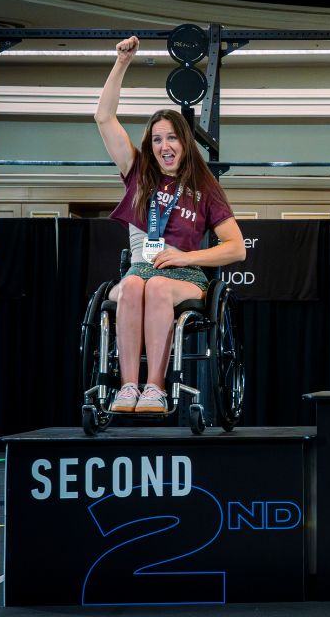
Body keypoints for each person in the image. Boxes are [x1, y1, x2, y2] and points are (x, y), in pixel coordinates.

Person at [96, 36, 246, 414]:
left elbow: (236, 248)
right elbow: (103, 118)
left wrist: (184, 256)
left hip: (184, 275)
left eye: (172, 137)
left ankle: (156, 389)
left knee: (158, 287)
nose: (165, 145)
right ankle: (128, 387)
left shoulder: (204, 187)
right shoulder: (138, 173)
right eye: (157, 139)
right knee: (132, 285)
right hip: (138, 269)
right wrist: (121, 63)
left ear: (184, 142)